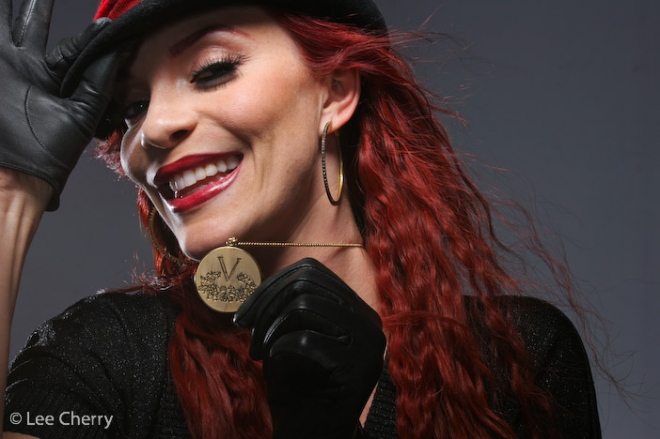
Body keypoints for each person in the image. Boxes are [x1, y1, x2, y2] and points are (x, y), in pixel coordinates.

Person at [0, 0, 602, 438]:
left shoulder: (515, 359)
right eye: (132, 107)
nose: (153, 128)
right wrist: (9, 194)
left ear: (335, 91)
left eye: (212, 68)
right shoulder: (106, 356)